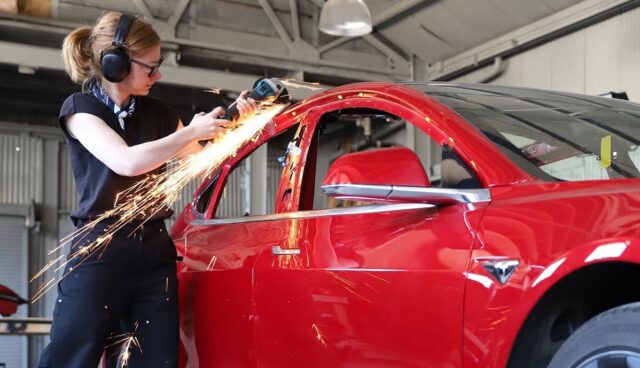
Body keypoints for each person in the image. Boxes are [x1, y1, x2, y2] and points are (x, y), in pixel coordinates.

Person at [38, 11, 257, 368]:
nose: (158, 75)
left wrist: (237, 122)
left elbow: (205, 159)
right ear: (115, 64)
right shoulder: (81, 110)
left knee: (155, 361)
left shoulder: (160, 114)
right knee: (71, 357)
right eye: (150, 67)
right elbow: (126, 162)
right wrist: (188, 132)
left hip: (154, 254)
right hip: (101, 250)